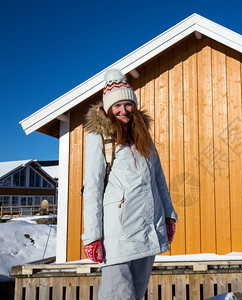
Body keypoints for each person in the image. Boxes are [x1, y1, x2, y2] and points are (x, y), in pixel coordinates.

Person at [82, 69, 177, 300]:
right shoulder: (99, 138)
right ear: (108, 109)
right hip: (119, 233)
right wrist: (93, 236)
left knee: (136, 292)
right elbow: (93, 188)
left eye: (128, 104)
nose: (123, 111)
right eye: (117, 106)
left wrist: (168, 215)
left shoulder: (144, 137)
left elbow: (159, 179)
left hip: (149, 227)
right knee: (116, 295)